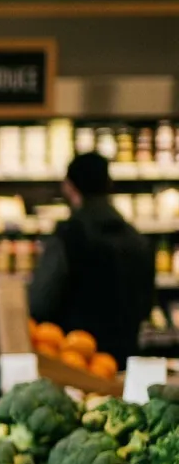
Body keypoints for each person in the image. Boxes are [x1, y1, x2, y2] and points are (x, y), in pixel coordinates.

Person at [29, 151, 155, 361]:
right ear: (109, 184)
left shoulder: (69, 236)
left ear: (69, 186)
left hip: (75, 359)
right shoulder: (136, 238)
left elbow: (41, 302)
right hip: (124, 358)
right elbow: (146, 304)